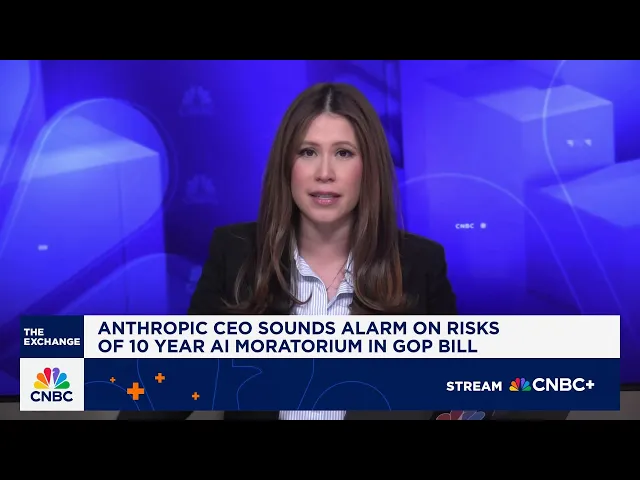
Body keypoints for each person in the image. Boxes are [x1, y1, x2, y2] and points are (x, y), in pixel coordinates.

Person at [117, 82, 458, 421]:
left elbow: (456, 395)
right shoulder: (237, 256)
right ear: (286, 165)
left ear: (369, 167)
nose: (325, 173)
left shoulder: (420, 265)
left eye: (343, 153)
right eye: (308, 152)